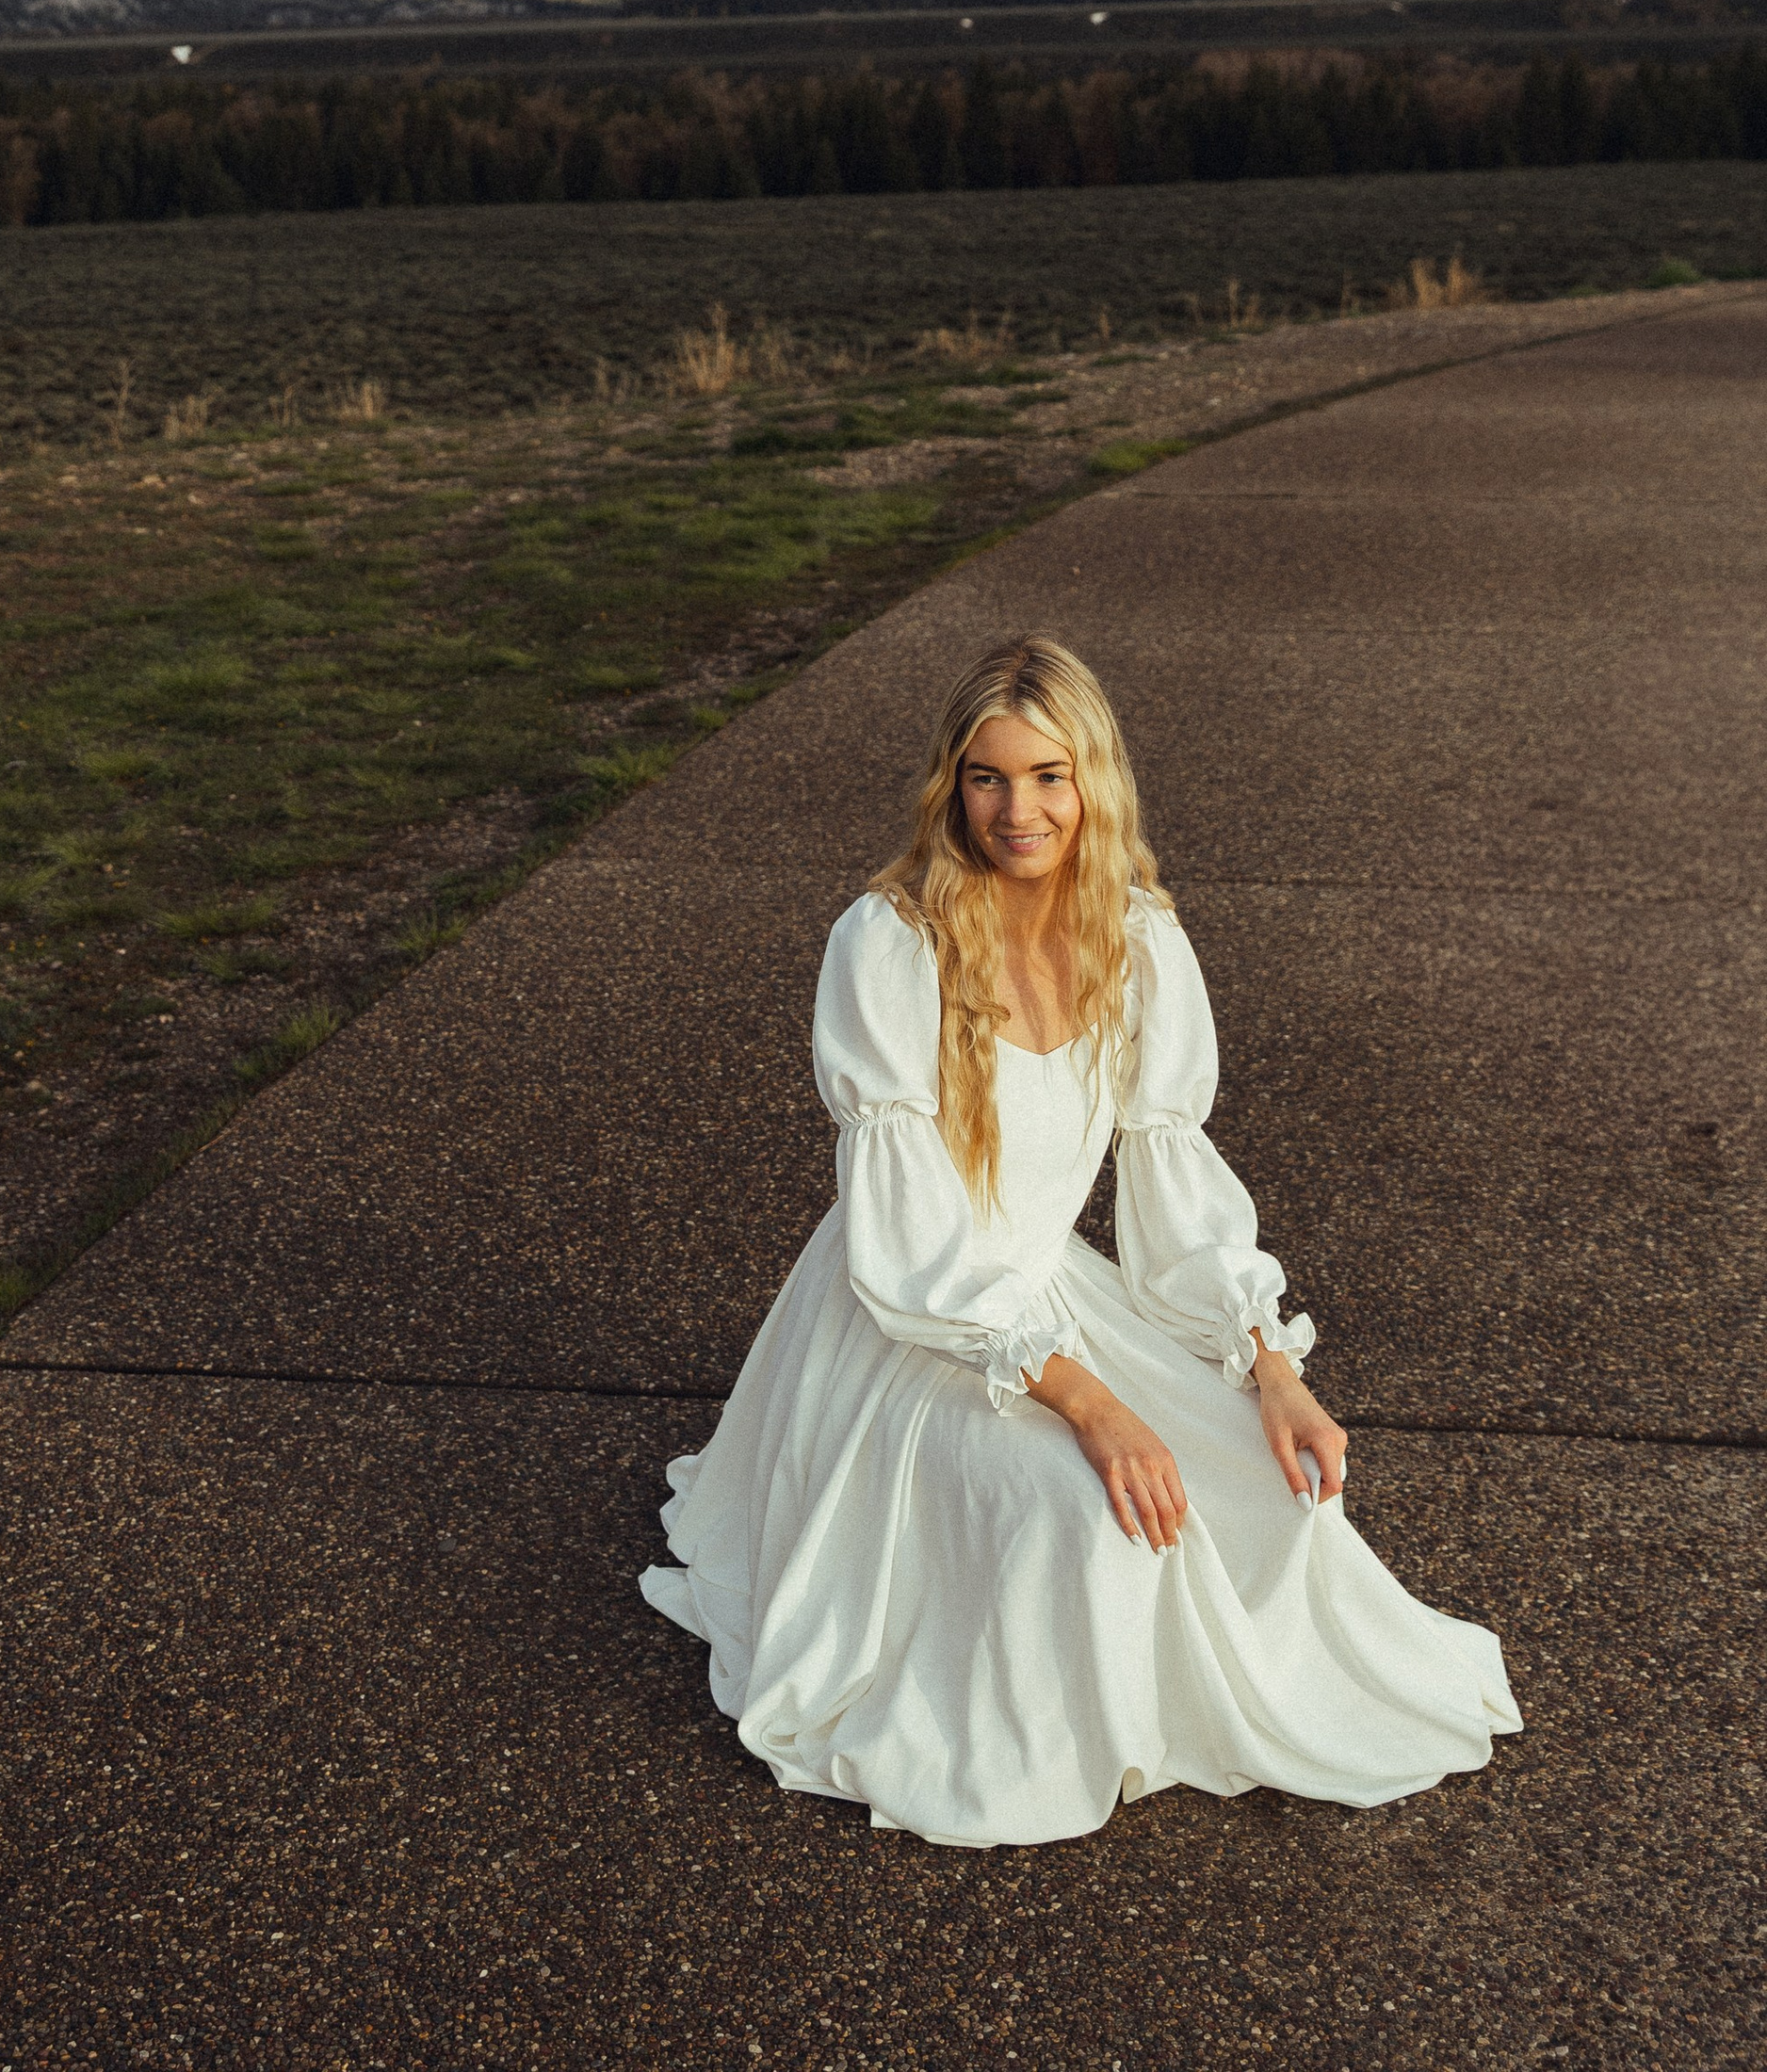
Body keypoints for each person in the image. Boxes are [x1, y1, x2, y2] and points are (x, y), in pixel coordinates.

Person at [640, 632, 1520, 1846]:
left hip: (1054, 1290)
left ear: (1093, 778)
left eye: (1049, 776)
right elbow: (909, 1247)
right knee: (1093, 1506)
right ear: (952, 784)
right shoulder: (889, 943)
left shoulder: (1140, 937)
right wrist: (1090, 1404)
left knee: (1271, 1488)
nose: (1019, 809)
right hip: (915, 1316)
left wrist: (1268, 1366)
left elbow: (1174, 1186)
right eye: (988, 777)